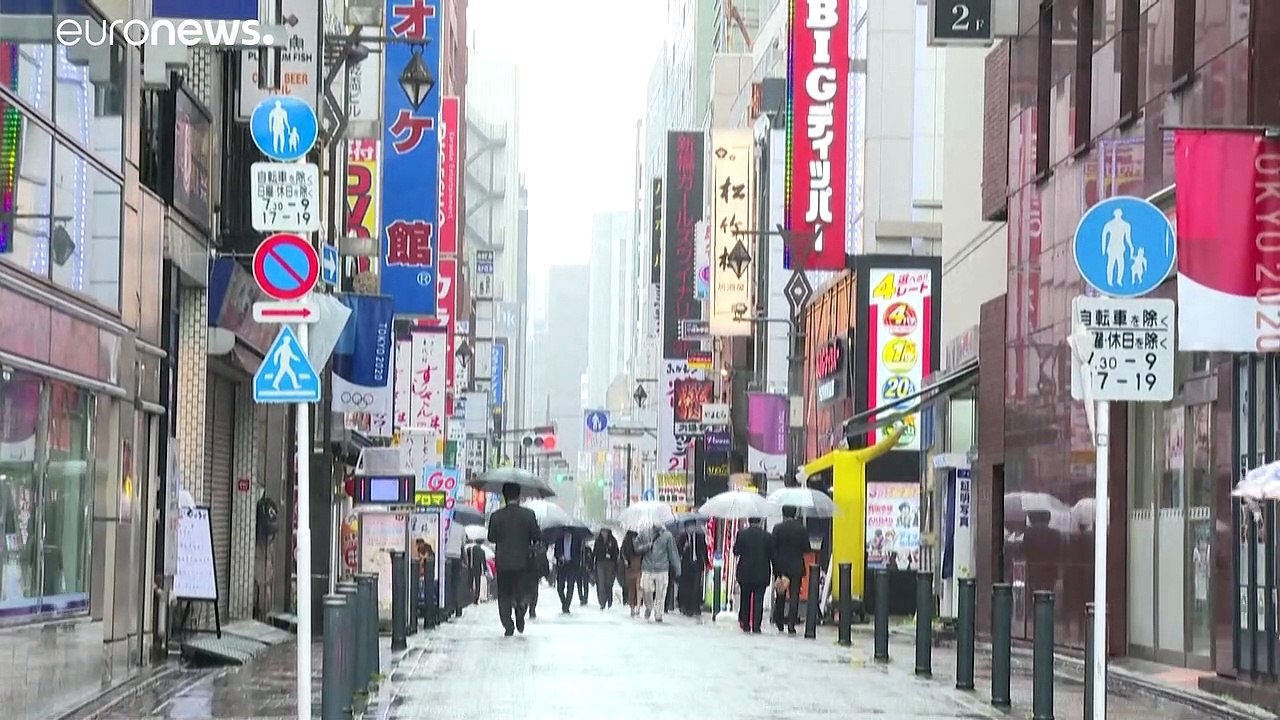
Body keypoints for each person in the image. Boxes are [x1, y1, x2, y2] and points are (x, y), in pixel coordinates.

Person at [486, 483, 541, 636]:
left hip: (503, 563)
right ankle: (521, 609)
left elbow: (491, 537)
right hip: (523, 562)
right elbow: (536, 536)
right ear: (519, 496)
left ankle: (508, 624)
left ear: (504, 496)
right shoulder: (528, 515)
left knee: (504, 594)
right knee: (521, 591)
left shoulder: (496, 516)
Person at [770, 506, 810, 634]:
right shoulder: (801, 529)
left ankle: (780, 621)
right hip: (796, 567)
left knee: (781, 594)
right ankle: (791, 624)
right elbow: (807, 548)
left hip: (781, 567)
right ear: (795, 514)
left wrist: (775, 563)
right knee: (794, 595)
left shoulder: (777, 528)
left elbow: (773, 547)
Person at [633, 523, 681, 623]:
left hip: (662, 568)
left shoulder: (667, 536)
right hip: (647, 568)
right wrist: (647, 546)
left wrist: (677, 567)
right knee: (646, 590)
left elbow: (672, 552)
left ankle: (658, 614)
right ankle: (649, 606)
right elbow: (636, 547)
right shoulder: (644, 533)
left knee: (661, 594)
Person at [733, 517, 773, 634]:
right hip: (761, 572)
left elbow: (736, 551)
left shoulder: (742, 534)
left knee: (745, 598)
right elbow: (771, 554)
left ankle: (745, 624)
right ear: (760, 521)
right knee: (759, 600)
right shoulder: (767, 536)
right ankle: (756, 625)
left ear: (749, 521)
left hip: (745, 572)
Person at [677, 522, 708, 617]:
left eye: (693, 526)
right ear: (686, 528)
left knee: (696, 586)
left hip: (697, 564)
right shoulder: (682, 537)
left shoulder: (700, 536)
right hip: (686, 565)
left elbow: (704, 550)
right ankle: (687, 607)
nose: (691, 528)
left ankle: (696, 607)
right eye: (689, 527)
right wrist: (684, 548)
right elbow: (678, 551)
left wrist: (706, 563)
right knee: (687, 587)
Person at [553, 529, 585, 614]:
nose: (566, 532)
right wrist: (560, 557)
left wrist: (577, 562)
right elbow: (556, 553)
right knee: (560, 587)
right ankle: (564, 602)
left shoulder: (577, 540)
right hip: (562, 565)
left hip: (572, 565)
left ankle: (567, 606)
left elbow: (579, 554)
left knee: (570, 586)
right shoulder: (559, 539)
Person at [593, 528, 620, 609]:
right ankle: (602, 602)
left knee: (608, 583)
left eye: (605, 532)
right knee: (601, 583)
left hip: (610, 564)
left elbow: (616, 552)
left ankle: (609, 599)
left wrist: (615, 563)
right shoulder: (598, 541)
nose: (604, 533)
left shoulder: (613, 540)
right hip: (600, 563)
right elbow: (594, 552)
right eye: (602, 531)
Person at [526, 539, 551, 620]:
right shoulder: (524, 544)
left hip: (534, 574)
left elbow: (544, 560)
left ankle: (532, 609)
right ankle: (527, 607)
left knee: (534, 592)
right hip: (525, 572)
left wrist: (546, 573)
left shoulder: (541, 549)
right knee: (527, 591)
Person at [621, 530, 643, 615]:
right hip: (637, 566)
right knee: (638, 588)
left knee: (632, 589)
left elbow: (623, 555)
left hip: (630, 567)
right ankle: (636, 607)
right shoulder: (638, 543)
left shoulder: (625, 545)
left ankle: (633, 608)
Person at [465, 538, 487, 604]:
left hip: (470, 568)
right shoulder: (482, 551)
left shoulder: (469, 549)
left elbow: (466, 557)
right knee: (478, 584)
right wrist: (485, 569)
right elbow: (483, 561)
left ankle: (469, 596)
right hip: (478, 569)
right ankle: (476, 598)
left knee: (470, 582)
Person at [578, 539, 594, 606]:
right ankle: (581, 597)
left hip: (585, 568)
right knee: (579, 584)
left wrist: (590, 567)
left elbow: (591, 559)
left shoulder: (588, 550)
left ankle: (585, 598)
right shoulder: (576, 549)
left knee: (585, 583)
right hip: (578, 568)